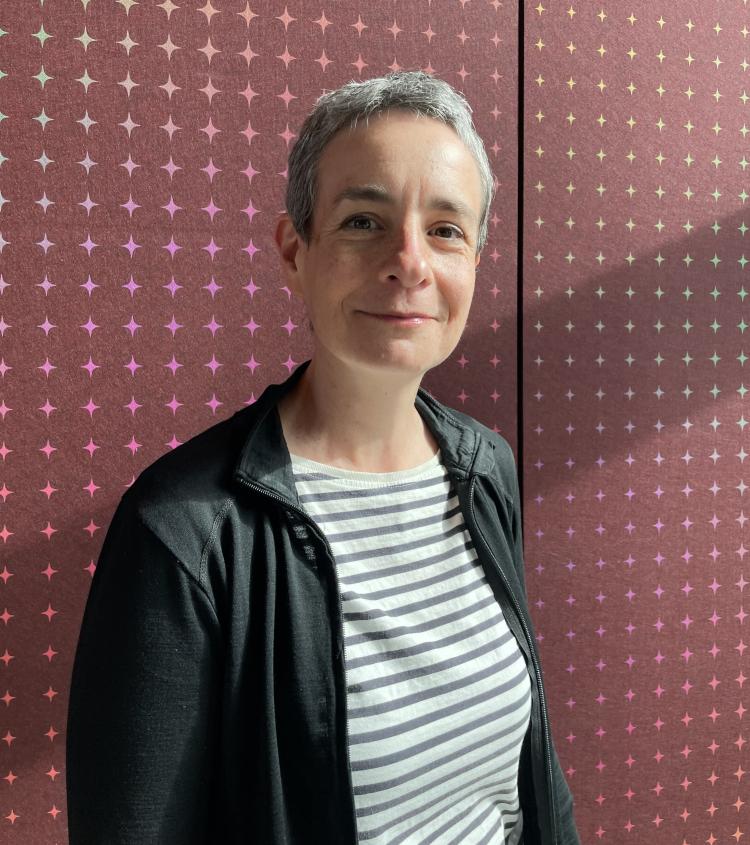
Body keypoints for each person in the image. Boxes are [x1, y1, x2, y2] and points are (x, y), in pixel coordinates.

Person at [66, 70, 580, 845]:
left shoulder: (484, 467)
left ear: (474, 259)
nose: (410, 261)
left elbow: (532, 771)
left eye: (445, 229)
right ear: (294, 250)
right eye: (364, 221)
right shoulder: (183, 533)